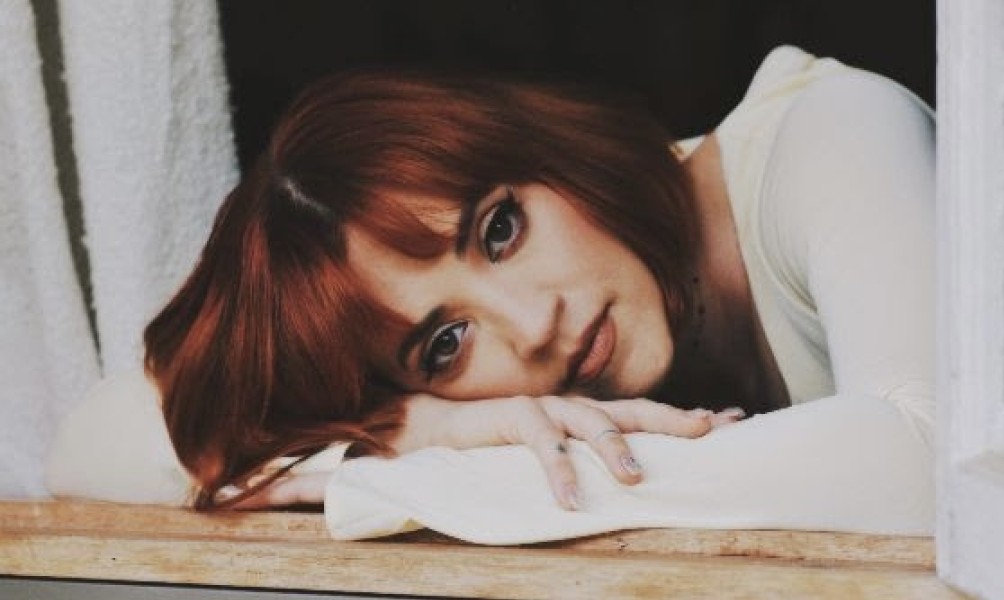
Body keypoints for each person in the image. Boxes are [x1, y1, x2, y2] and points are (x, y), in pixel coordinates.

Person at [47, 46, 935, 535]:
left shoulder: (830, 135)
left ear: (547, 148)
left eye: (500, 229)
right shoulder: (451, 411)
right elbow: (91, 445)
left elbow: (934, 468)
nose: (533, 324)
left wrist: (432, 484)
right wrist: (414, 434)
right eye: (445, 345)